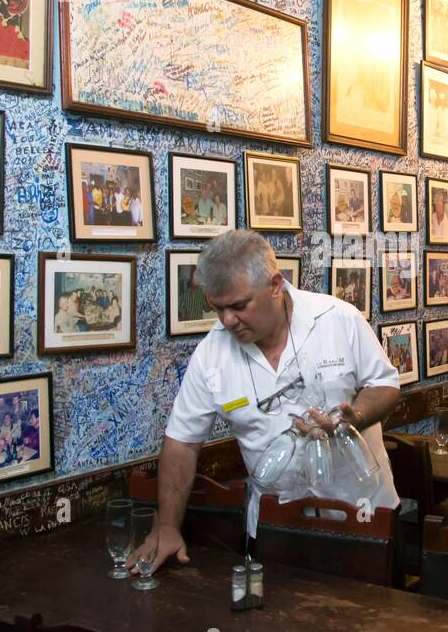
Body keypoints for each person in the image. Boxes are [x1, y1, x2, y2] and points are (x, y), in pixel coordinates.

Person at [128, 230, 402, 577]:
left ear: (275, 285)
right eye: (217, 308)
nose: (227, 320)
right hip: (277, 530)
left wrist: (356, 416)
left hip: (364, 519)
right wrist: (167, 526)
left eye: (239, 306)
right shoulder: (211, 355)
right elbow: (182, 442)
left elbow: (386, 385)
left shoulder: (338, 319)